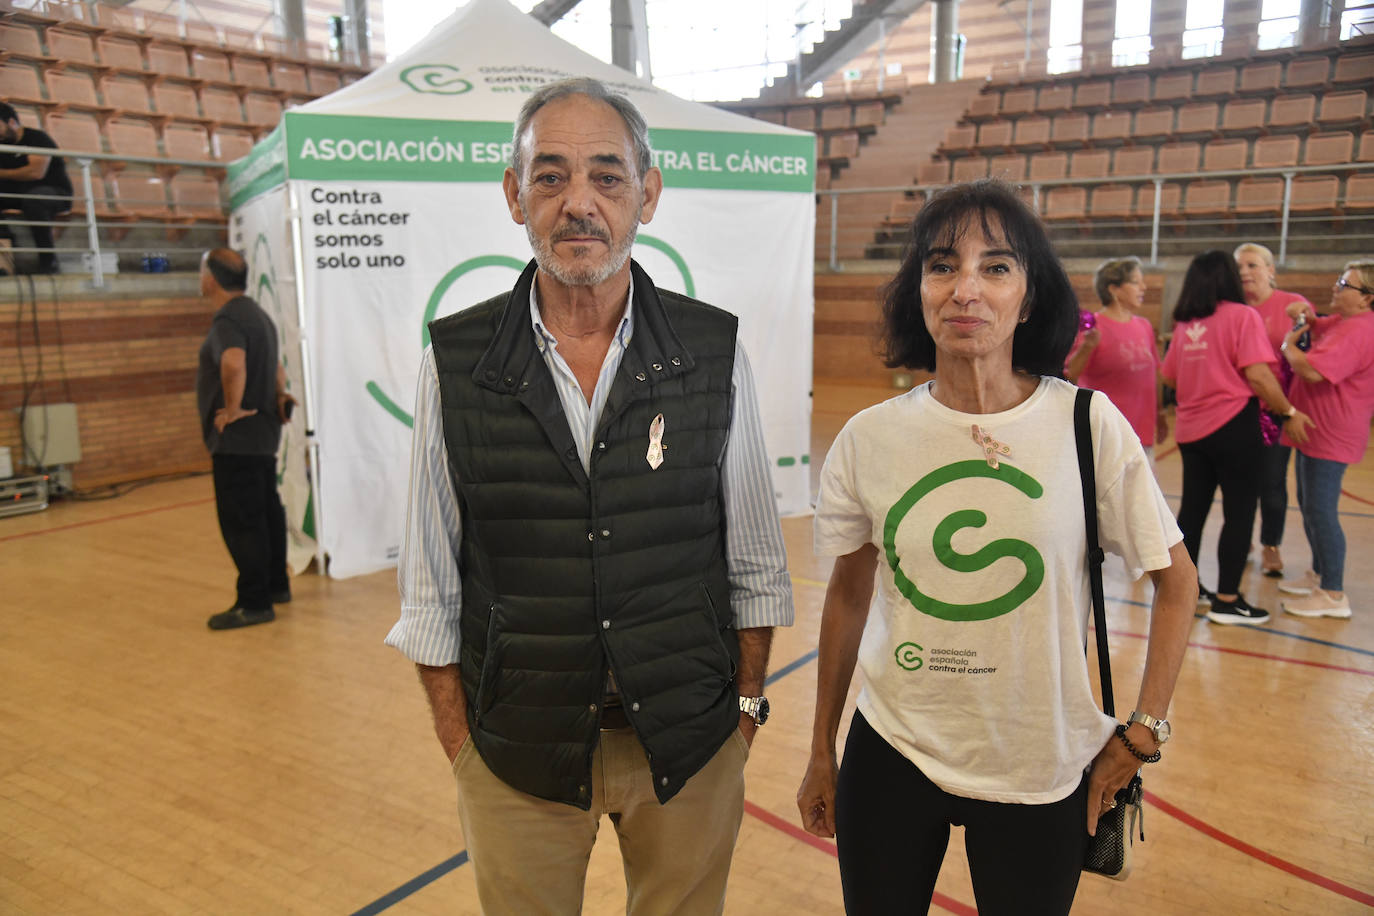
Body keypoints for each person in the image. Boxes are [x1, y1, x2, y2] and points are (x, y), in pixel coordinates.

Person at [384, 77, 793, 915]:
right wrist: (463, 745)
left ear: (647, 193)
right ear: (513, 194)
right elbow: (430, 586)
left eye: (607, 176)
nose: (579, 203)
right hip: (517, 752)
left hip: (690, 738)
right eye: (550, 175)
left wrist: (743, 712)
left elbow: (754, 560)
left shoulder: (714, 352)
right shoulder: (454, 362)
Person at [795, 180, 1196, 915]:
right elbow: (850, 596)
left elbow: (1177, 582)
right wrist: (823, 747)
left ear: (1030, 295)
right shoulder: (871, 437)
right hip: (893, 747)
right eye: (943, 265)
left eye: (996, 267)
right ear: (918, 289)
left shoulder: (1086, 424)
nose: (965, 290)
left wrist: (1143, 731)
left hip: (1040, 761)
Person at [1160, 251, 1312, 626]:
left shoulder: (1185, 325)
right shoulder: (1242, 316)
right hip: (1232, 426)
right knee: (1239, 512)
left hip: (1192, 431)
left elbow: (1169, 377)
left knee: (1192, 511)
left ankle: (1188, 593)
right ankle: (1228, 599)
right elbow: (1259, 376)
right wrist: (1289, 412)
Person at [195, 248, 294, 630]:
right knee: (266, 511)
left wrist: (233, 408)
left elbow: (233, 362)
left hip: (238, 438)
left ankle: (253, 603)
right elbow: (278, 370)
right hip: (263, 435)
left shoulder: (229, 319)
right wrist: (279, 396)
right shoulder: (258, 314)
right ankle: (275, 585)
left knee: (242, 519)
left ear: (211, 279)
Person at [1276, 260, 1374, 619]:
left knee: (1321, 510)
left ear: (1366, 299)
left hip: (1332, 433)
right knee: (1309, 503)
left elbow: (1312, 369)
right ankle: (1320, 575)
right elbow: (1318, 322)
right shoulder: (1347, 322)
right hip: (1316, 429)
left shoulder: (1360, 331)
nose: (1336, 287)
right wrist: (1305, 315)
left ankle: (1333, 593)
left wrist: (1288, 344)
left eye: (1344, 284)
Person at [1234, 243, 1312, 578]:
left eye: (1252, 265)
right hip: (1237, 409)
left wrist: (1306, 319)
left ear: (1270, 270)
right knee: (1238, 481)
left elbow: (1313, 349)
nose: (1245, 273)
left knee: (1272, 482)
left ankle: (1270, 544)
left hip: (1278, 409)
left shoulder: (1293, 306)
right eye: (1239, 268)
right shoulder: (1232, 309)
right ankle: (1242, 538)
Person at [1064, 256, 1168, 459]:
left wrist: (1161, 413)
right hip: (1106, 436)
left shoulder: (1144, 326)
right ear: (1113, 289)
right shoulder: (1094, 328)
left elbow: (1155, 373)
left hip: (1142, 434)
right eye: (1136, 282)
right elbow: (1070, 374)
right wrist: (1087, 347)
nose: (1144, 288)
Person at [0, 101, 72, 275]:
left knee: (35, 200)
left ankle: (49, 262)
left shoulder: (37, 138)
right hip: (20, 193)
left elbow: (36, 172)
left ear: (11, 122)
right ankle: (8, 247)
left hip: (54, 191)